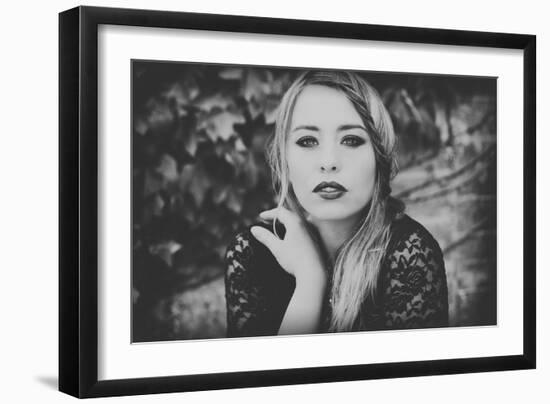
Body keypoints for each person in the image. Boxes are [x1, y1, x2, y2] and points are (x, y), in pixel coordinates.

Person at [224, 70, 448, 338]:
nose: (329, 161)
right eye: (307, 141)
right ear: (284, 160)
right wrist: (310, 279)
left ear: (379, 158)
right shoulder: (253, 253)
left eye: (351, 140)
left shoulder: (410, 254)